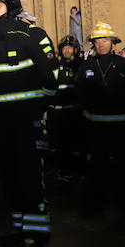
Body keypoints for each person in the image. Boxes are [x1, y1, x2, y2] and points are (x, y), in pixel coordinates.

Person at [0, 0, 58, 247]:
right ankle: (18, 228)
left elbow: (52, 77)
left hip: (28, 121)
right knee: (9, 177)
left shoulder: (34, 36)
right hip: (2, 122)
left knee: (29, 177)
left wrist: (40, 107)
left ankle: (36, 235)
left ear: (11, 6)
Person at [75, 21, 125, 220]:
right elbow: (81, 95)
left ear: (112, 41)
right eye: (97, 40)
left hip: (122, 127)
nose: (101, 44)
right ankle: (95, 205)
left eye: (104, 39)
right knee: (97, 169)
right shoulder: (86, 66)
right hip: (96, 128)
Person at [52, 34, 83, 180]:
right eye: (65, 47)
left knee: (78, 144)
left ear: (75, 49)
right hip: (60, 113)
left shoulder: (80, 66)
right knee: (61, 144)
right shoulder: (56, 66)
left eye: (70, 47)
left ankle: (79, 170)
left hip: (76, 112)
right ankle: (63, 172)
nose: (67, 50)